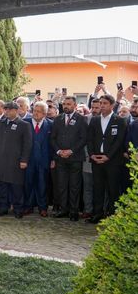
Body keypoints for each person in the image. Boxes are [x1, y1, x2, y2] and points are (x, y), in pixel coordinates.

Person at [85, 94, 127, 223]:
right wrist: (92, 154)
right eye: (101, 103)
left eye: (105, 103)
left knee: (112, 189)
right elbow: (89, 139)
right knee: (98, 188)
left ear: (112, 105)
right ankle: (97, 214)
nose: (102, 106)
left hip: (112, 161)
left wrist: (108, 156)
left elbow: (119, 141)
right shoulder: (95, 120)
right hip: (96, 159)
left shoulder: (119, 120)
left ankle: (112, 215)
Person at [0, 101, 33, 218]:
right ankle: (2, 208)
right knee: (2, 186)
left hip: (16, 162)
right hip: (1, 161)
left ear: (16, 110)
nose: (7, 111)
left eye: (10, 109)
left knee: (16, 187)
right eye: (6, 109)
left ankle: (18, 209)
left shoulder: (24, 125)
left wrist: (24, 160)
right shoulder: (0, 123)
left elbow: (27, 145)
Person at [50, 96, 87, 221]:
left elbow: (83, 139)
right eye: (64, 104)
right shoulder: (58, 119)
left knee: (74, 186)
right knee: (61, 185)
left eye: (69, 104)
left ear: (75, 105)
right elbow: (52, 138)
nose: (66, 106)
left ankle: (74, 211)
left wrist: (71, 151)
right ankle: (63, 209)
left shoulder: (82, 119)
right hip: (60, 158)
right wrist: (59, 151)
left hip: (75, 158)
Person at [24, 101, 54, 217]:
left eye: (39, 112)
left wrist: (53, 159)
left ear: (45, 114)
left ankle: (43, 207)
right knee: (28, 183)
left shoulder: (51, 124)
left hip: (44, 160)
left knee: (42, 184)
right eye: (34, 111)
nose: (35, 113)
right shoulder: (25, 123)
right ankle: (28, 206)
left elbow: (53, 144)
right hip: (28, 160)